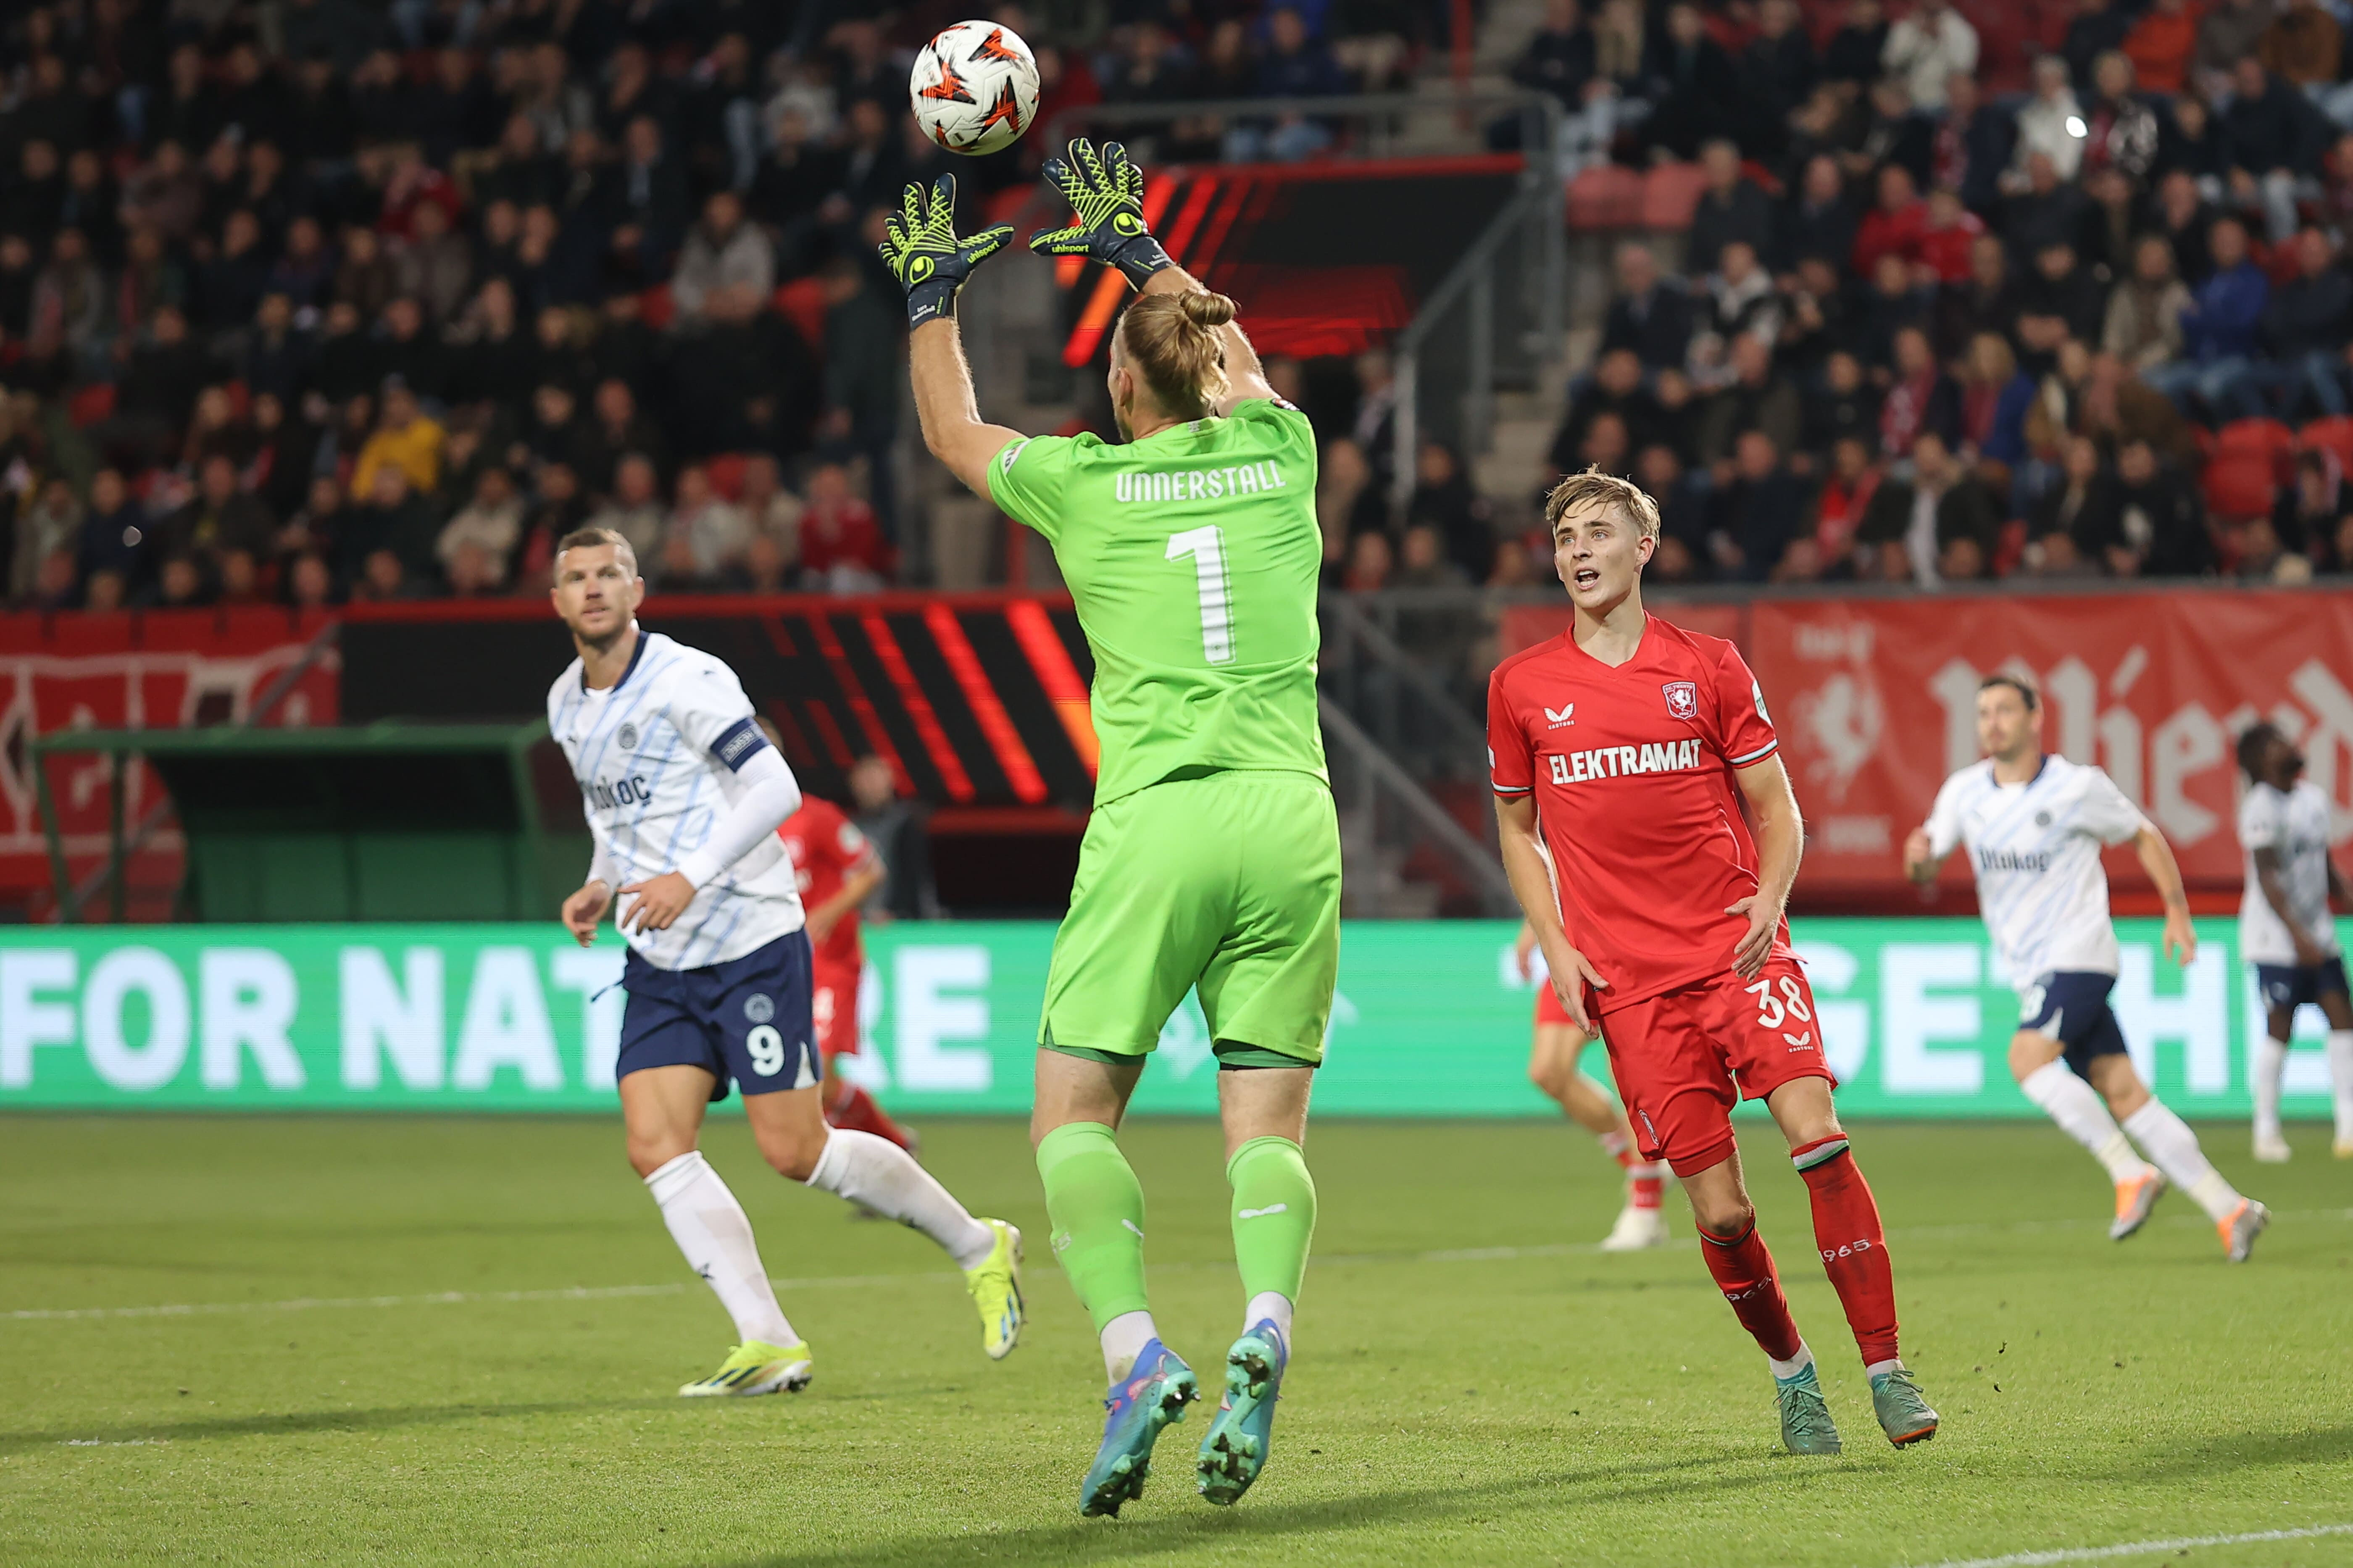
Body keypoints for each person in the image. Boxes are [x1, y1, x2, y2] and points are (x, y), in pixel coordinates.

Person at [884, 143, 1336, 1515]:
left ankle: (1135, 1351)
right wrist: (1140, 252)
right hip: (1292, 819)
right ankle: (1268, 1321)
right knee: (1267, 1128)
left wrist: (930, 299)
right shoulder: (1279, 447)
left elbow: (952, 432)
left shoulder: (1083, 481)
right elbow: (1230, 353)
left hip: (1158, 822)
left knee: (1071, 1115)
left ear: (1121, 390)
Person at [1489, 467, 1937, 1457]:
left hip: (1739, 953)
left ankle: (1886, 1370)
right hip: (1631, 986)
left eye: (1599, 531)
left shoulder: (1711, 665)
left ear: (1643, 547)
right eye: (1565, 536)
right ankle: (1794, 1377)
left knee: (1818, 1137)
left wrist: (1770, 900)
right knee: (1724, 1213)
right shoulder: (1520, 687)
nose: (1579, 549)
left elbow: (1777, 808)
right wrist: (1556, 943)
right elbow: (1517, 829)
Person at [545, 527, 1023, 1401]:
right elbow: (616, 821)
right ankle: (767, 1340)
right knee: (654, 1144)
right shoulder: (565, 704)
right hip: (659, 955)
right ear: (557, 600)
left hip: (748, 942)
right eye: (576, 577)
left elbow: (776, 788)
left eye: (609, 572)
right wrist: (600, 883)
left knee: (796, 1151)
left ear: (637, 589)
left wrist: (690, 877)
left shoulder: (687, 679)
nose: (594, 588)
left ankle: (977, 1243)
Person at [1903, 674, 2270, 1260]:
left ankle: (2129, 1172)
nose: (1992, 722)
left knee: (2026, 1059)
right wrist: (1917, 859)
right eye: (1983, 712)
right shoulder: (1964, 792)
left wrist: (2177, 911)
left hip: (2079, 953)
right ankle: (2230, 1209)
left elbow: (2143, 835)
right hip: (2032, 968)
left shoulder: (2076, 787)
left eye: (2004, 710)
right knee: (2123, 1092)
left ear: (2035, 717)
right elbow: (1925, 865)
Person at [773, 764, 917, 1155]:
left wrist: (827, 914)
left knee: (818, 1075)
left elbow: (871, 871)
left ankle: (890, 1147)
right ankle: (888, 1150)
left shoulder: (814, 815)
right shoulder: (736, 824)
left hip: (829, 962)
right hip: (779, 965)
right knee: (806, 1083)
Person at [2234, 721, 2353, 1160]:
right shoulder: (2260, 807)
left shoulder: (2313, 799)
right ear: (2259, 761)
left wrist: (2343, 892)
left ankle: (2348, 1125)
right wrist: (2297, 936)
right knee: (2280, 1028)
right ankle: (2265, 1129)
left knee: (2343, 1019)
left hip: (2317, 932)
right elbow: (2267, 877)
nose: (2289, 746)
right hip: (2275, 939)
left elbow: (2322, 861)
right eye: (2276, 743)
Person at [1514, 920, 1671, 1249]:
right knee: (1548, 1072)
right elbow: (1552, 884)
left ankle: (1645, 1207)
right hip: (1572, 951)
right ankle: (1642, 1169)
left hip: (1624, 947)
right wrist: (1531, 931)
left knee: (1628, 1079)